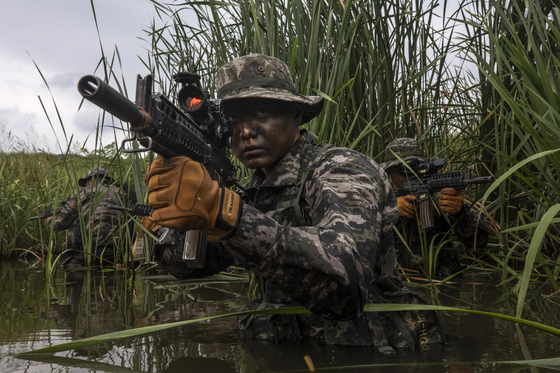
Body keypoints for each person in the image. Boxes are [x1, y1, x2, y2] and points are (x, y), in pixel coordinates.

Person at [143, 54, 444, 351]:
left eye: (262, 111)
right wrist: (185, 221)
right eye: (233, 118)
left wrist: (226, 216)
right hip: (287, 351)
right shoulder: (253, 191)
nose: (245, 131)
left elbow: (347, 288)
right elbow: (188, 268)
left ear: (296, 115)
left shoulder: (341, 168)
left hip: (370, 354)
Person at [380, 138, 489, 277]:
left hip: (442, 285)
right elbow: (362, 244)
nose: (410, 174)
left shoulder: (440, 197)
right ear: (390, 171)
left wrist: (460, 213)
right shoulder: (379, 201)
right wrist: (390, 212)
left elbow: (479, 243)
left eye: (414, 167)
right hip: (394, 285)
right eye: (403, 170)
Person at [47, 167, 133, 268]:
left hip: (92, 252)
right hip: (117, 251)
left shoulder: (82, 193)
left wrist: (49, 221)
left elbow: (60, 223)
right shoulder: (123, 193)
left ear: (92, 179)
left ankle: (80, 257)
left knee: (75, 223)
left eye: (86, 182)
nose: (86, 185)